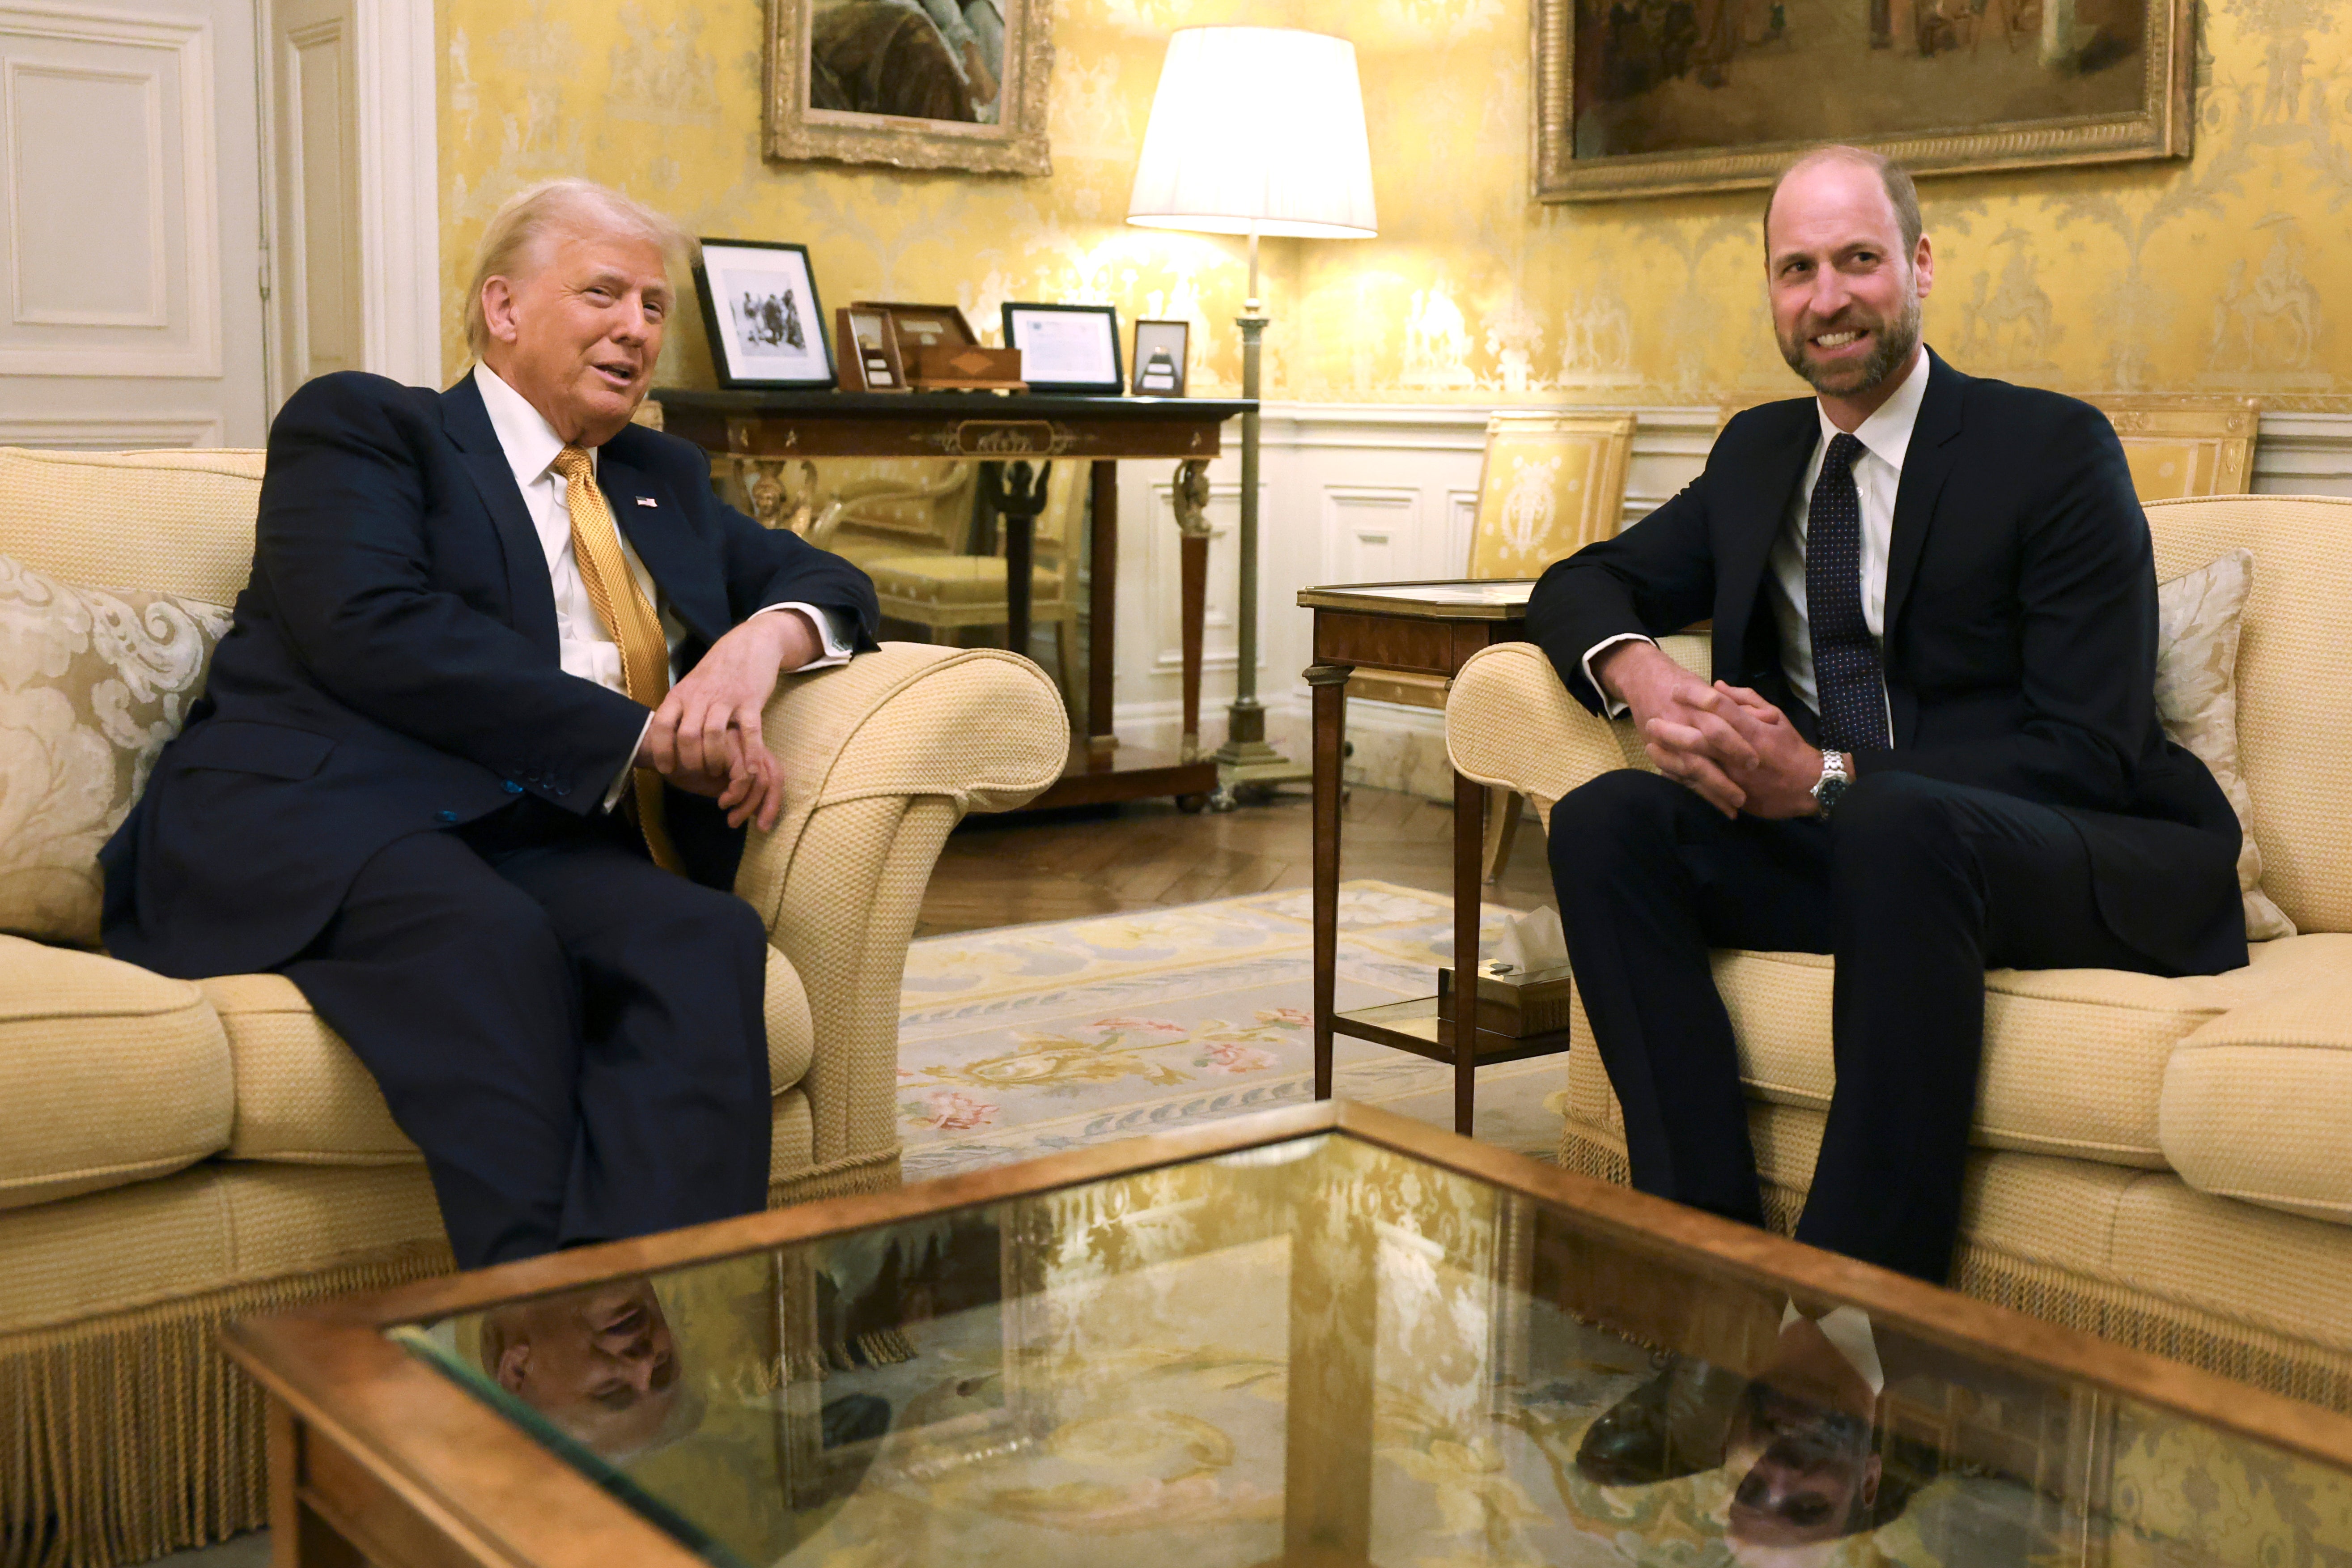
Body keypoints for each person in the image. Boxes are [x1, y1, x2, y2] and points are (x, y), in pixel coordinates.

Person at [101, 178, 880, 1271]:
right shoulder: (370, 427)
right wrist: (647, 736)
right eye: (603, 293)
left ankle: (675, 1325)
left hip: (532, 832)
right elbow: (373, 629)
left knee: (704, 942)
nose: (637, 329)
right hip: (329, 815)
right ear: (503, 309)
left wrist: (760, 645)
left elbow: (824, 577)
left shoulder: (657, 475)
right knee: (490, 946)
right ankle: (544, 1332)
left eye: (654, 307)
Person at [1530, 142, 2243, 1296]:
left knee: (1893, 818)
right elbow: (1577, 583)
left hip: (2071, 851)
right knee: (1608, 821)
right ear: (1771, 291)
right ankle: (1705, 1276)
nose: (1828, 299)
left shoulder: (2050, 450)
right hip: (1869, 853)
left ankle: (1848, 1335)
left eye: (1858, 260)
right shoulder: (1760, 452)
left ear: (1918, 265)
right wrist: (1651, 684)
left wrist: (1824, 774)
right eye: (1796, 268)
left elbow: (2089, 750)